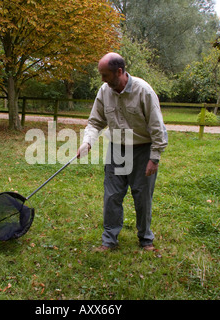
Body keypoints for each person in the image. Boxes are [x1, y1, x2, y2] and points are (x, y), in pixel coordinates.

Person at [77, 52, 168, 252]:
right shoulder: (104, 91)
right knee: (112, 196)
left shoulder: (144, 91)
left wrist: (155, 157)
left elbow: (157, 127)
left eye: (105, 75)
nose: (102, 79)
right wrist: (87, 143)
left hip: (143, 150)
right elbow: (95, 122)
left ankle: (145, 239)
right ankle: (109, 240)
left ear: (119, 72)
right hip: (117, 149)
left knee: (142, 196)